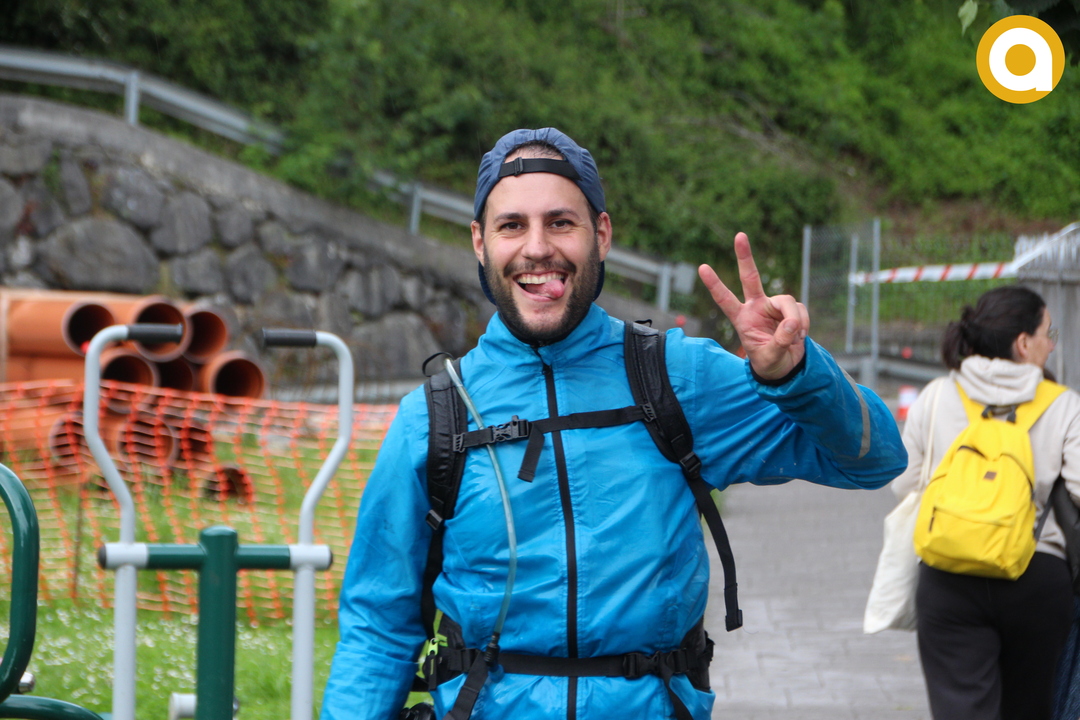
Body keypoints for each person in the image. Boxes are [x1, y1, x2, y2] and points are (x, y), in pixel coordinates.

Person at [321, 127, 907, 720]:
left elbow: (875, 458)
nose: (536, 248)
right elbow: (377, 625)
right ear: (480, 242)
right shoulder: (435, 416)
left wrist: (798, 375)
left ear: (601, 234)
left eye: (560, 223)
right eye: (512, 226)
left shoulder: (677, 377)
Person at [890, 286, 1080, 720]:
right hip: (1036, 577)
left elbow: (904, 484)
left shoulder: (935, 395)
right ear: (1024, 343)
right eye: (1049, 333)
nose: (1052, 344)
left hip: (947, 576)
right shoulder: (1064, 404)